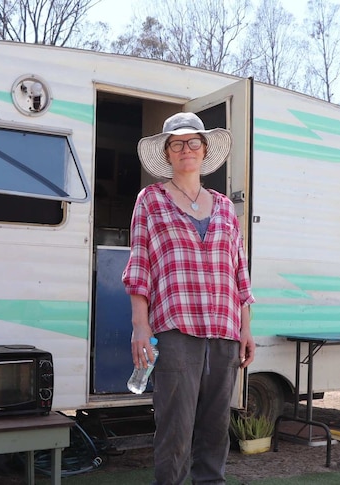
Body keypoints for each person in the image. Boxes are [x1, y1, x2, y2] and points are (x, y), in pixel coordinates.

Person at [122, 112, 256, 485]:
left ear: (204, 150)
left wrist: (246, 328)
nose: (186, 149)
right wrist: (139, 326)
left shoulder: (225, 207)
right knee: (175, 431)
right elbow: (139, 266)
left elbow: (239, 270)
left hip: (225, 332)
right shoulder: (150, 199)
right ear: (167, 153)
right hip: (176, 330)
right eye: (177, 143)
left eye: (193, 142)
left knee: (215, 431)